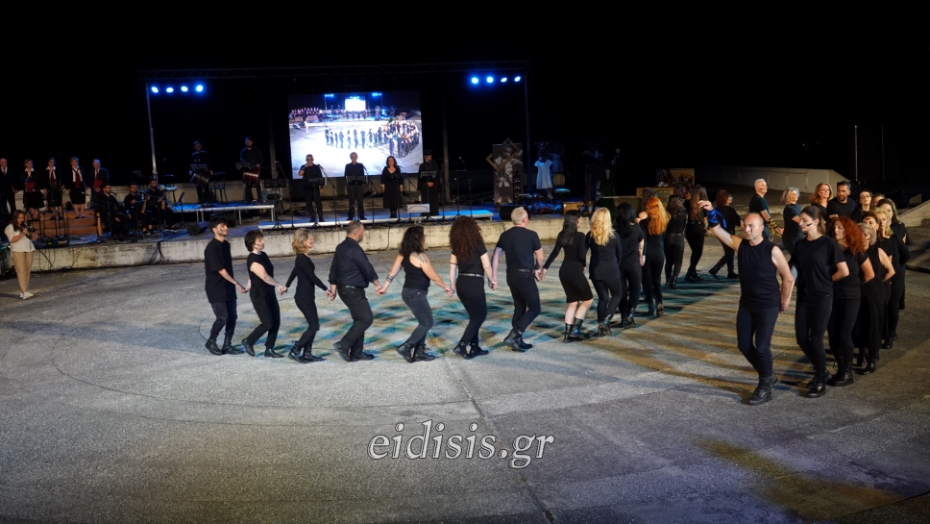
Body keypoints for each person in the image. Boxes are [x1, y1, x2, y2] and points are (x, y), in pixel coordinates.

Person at [699, 202, 794, 405]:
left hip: (768, 305)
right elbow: (717, 230)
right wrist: (711, 211)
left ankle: (765, 386)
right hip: (747, 304)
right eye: (745, 225)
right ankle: (768, 374)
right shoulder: (740, 245)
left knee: (762, 347)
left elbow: (788, 277)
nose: (747, 229)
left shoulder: (772, 250)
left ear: (761, 228)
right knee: (744, 345)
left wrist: (784, 299)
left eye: (752, 226)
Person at [791, 206, 849, 398]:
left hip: (822, 297)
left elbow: (844, 271)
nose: (800, 223)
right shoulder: (800, 245)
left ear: (815, 221)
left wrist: (826, 282)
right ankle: (822, 371)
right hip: (804, 297)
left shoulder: (828, 243)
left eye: (804, 220)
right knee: (802, 338)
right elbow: (793, 268)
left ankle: (819, 380)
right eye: (800, 219)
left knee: (816, 339)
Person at [379, 226, 454, 362]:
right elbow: (433, 275)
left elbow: (392, 273)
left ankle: (420, 352)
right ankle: (406, 347)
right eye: (423, 235)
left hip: (407, 293)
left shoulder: (402, 255)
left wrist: (384, 288)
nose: (425, 238)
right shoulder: (420, 256)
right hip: (416, 294)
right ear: (418, 239)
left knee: (422, 322)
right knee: (427, 323)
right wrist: (445, 287)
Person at [491, 206, 544, 352]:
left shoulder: (505, 235)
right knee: (535, 308)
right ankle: (515, 334)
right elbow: (540, 258)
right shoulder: (532, 235)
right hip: (525, 275)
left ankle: (517, 340)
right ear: (525, 219)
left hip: (511, 275)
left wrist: (493, 277)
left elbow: (495, 256)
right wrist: (537, 269)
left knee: (520, 306)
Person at [827, 217, 873, 387]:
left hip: (850, 298)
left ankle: (847, 372)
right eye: (835, 227)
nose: (836, 230)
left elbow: (869, 274)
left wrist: (855, 287)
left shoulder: (856, 251)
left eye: (840, 227)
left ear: (848, 230)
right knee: (832, 334)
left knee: (844, 334)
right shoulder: (830, 250)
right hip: (831, 296)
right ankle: (840, 367)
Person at [329, 221, 383, 361]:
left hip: (346, 289)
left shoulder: (341, 247)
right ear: (356, 233)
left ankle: (357, 352)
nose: (363, 235)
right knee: (366, 319)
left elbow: (334, 268)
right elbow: (366, 267)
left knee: (360, 319)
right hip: (352, 289)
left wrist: (333, 287)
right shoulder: (354, 249)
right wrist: (377, 284)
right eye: (363, 232)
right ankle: (343, 344)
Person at [283, 229, 334, 363]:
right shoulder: (301, 258)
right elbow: (312, 277)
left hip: (307, 296)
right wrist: (325, 289)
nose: (312, 240)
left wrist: (287, 285)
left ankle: (307, 353)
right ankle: (295, 350)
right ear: (302, 241)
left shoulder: (302, 258)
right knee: (313, 325)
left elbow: (294, 271)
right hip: (303, 297)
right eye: (309, 239)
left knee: (314, 325)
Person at [542, 211, 594, 341]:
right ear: (575, 220)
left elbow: (554, 253)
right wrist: (584, 265)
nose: (580, 221)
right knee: (588, 299)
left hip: (564, 271)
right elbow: (582, 255)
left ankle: (567, 335)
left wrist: (545, 267)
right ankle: (575, 329)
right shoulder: (580, 236)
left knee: (573, 302)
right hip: (575, 271)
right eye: (579, 219)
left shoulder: (562, 235)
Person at [448, 216, 494, 359]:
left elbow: (452, 268)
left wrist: (452, 285)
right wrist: (492, 279)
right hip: (474, 283)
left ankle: (474, 347)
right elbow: (487, 265)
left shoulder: (457, 247)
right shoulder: (478, 245)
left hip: (461, 283)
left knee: (474, 317)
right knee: (480, 316)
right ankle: (462, 345)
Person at [203, 218, 248, 356]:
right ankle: (211, 341)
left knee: (232, 317)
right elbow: (221, 270)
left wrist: (233, 284)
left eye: (226, 225)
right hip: (216, 288)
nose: (226, 228)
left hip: (227, 287)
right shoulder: (211, 248)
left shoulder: (226, 245)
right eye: (222, 226)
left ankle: (227, 345)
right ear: (214, 229)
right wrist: (237, 283)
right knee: (223, 318)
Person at [241, 230, 288, 358]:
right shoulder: (253, 259)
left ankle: (269, 349)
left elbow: (252, 276)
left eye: (262, 239)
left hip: (269, 293)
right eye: (260, 240)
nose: (263, 242)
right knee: (268, 323)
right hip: (259, 296)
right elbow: (264, 277)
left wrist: (247, 286)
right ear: (252, 244)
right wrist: (279, 285)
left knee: (276, 321)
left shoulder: (263, 255)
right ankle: (248, 341)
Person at [856, 221, 894, 374]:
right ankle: (861, 351)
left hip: (874, 293)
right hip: (858, 293)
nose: (862, 237)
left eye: (865, 234)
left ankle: (872, 358)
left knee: (873, 325)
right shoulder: (854, 251)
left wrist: (878, 283)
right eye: (859, 234)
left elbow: (891, 271)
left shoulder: (878, 251)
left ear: (870, 237)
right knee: (859, 324)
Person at [872, 207, 908, 350]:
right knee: (881, 306)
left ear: (888, 221)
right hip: (878, 276)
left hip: (894, 276)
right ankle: (880, 332)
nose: (881, 222)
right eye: (878, 220)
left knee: (892, 305)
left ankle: (890, 335)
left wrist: (897, 267)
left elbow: (906, 255)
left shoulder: (893, 238)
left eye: (884, 220)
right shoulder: (873, 239)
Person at [586, 208, 623, 336]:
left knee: (603, 298)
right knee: (617, 294)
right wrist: (616, 266)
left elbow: (583, 253)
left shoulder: (590, 235)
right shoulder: (614, 236)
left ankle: (600, 325)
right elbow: (619, 254)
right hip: (611, 270)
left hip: (596, 271)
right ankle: (607, 319)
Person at [640, 197, 670, 316]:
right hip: (659, 253)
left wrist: (642, 255)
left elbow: (644, 241)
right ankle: (659, 302)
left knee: (647, 281)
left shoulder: (644, 222)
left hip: (648, 253)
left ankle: (650, 306)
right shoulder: (664, 221)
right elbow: (662, 239)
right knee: (657, 280)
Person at [616, 202, 644, 327]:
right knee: (636, 289)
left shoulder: (615, 230)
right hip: (633, 263)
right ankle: (630, 313)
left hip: (619, 264)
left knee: (621, 292)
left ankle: (623, 317)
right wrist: (641, 256)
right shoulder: (637, 229)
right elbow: (641, 246)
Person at [708, 190, 741, 280]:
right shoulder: (730, 210)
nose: (731, 198)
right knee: (730, 253)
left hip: (720, 233)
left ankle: (730, 272)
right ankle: (715, 269)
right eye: (729, 197)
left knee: (729, 251)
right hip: (728, 233)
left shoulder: (715, 210)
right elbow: (738, 222)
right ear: (725, 199)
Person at [5, 210, 37, 300]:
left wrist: (32, 233)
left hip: (29, 249)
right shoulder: (10, 227)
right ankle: (24, 292)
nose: (21, 219)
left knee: (27, 271)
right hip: (17, 250)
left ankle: (24, 291)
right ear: (15, 218)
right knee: (21, 272)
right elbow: (12, 240)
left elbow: (32, 237)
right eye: (19, 218)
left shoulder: (25, 226)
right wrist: (23, 233)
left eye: (22, 218)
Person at [684, 186, 708, 282]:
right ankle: (690, 273)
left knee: (694, 252)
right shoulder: (704, 204)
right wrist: (706, 228)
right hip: (698, 228)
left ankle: (693, 273)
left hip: (689, 228)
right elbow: (705, 220)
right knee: (697, 252)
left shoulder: (688, 203)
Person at [664, 196, 686, 289]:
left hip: (668, 237)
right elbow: (684, 225)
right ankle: (674, 281)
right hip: (679, 237)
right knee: (678, 262)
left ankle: (668, 281)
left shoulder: (666, 212)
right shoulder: (683, 212)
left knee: (669, 261)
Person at [297, 154, 326, 223]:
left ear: (312, 160)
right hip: (307, 188)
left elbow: (320, 176)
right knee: (309, 203)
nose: (309, 160)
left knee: (318, 202)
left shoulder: (316, 167)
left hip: (315, 187)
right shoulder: (303, 166)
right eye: (308, 159)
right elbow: (300, 174)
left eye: (310, 159)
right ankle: (312, 217)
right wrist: (305, 167)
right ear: (306, 160)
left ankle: (321, 217)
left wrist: (321, 186)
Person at [781, 187, 804, 255]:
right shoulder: (788, 209)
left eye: (796, 194)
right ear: (788, 196)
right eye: (793, 194)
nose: (795, 195)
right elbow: (799, 220)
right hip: (791, 238)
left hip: (799, 235)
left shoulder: (798, 206)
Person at [240, 137, 263, 203]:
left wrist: (259, 164)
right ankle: (248, 199)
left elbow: (261, 159)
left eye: (249, 142)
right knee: (248, 184)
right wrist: (244, 164)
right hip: (247, 169)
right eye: (247, 142)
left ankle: (260, 198)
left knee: (257, 184)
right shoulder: (243, 151)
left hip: (256, 169)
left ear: (252, 142)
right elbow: (241, 159)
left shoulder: (256, 150)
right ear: (245, 143)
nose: (248, 143)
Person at [344, 152, 367, 221]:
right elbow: (346, 176)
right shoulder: (348, 166)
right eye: (352, 157)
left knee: (360, 201)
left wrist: (359, 180)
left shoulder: (360, 165)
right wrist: (351, 180)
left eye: (355, 157)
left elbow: (362, 175)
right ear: (351, 158)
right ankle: (350, 216)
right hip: (351, 186)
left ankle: (361, 215)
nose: (354, 158)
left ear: (356, 157)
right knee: (351, 201)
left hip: (359, 185)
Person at [417, 150, 440, 216]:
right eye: (427, 157)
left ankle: (434, 214)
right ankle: (425, 214)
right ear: (425, 157)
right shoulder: (422, 166)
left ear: (431, 157)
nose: (428, 158)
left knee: (434, 201)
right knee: (425, 200)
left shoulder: (435, 165)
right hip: (425, 186)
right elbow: (420, 177)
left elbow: (437, 176)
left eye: (429, 157)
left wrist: (434, 183)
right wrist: (426, 183)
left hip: (433, 186)